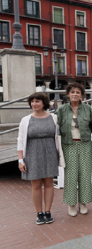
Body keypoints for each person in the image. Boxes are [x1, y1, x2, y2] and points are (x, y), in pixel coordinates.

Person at [17, 92, 59, 225]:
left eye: (37, 101)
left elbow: (58, 136)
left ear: (44, 103)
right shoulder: (25, 120)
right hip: (32, 154)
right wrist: (20, 160)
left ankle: (48, 211)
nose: (34, 104)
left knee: (49, 183)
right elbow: (20, 139)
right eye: (32, 102)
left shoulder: (54, 118)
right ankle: (39, 213)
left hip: (50, 153)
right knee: (35, 185)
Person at [56, 83, 92, 217]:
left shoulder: (88, 109)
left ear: (82, 95)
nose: (75, 94)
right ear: (68, 94)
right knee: (71, 176)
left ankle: (83, 203)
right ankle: (71, 204)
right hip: (68, 145)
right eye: (72, 92)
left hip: (84, 144)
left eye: (78, 92)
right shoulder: (62, 110)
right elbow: (56, 127)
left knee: (85, 175)